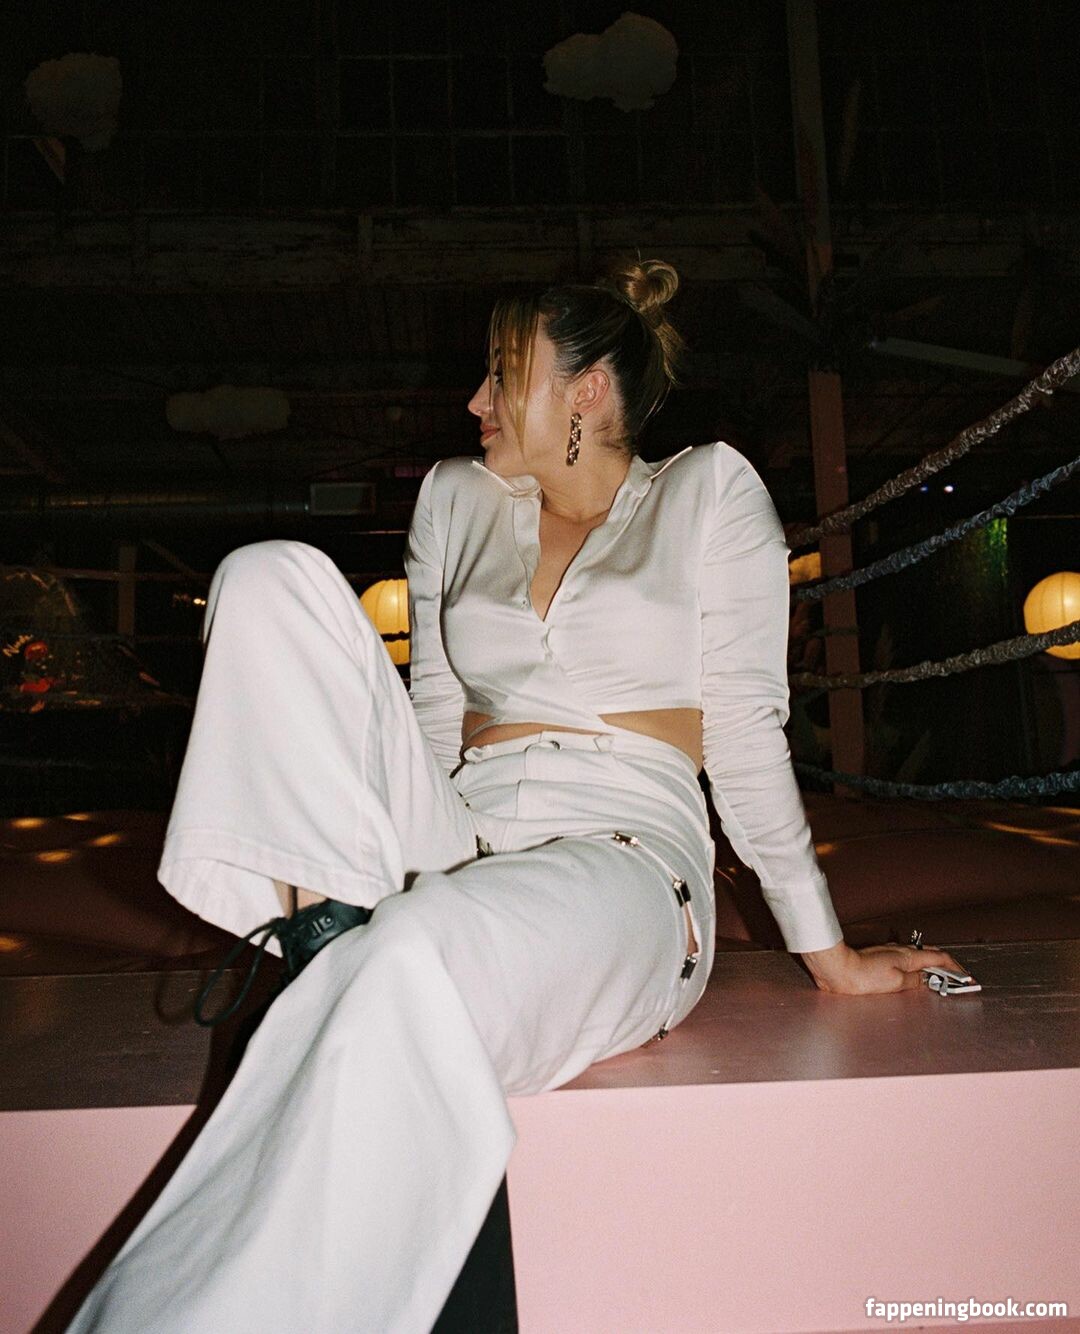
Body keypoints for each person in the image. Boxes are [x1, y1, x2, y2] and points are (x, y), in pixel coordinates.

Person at [68, 261, 962, 1333]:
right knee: (269, 576)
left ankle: (343, 974)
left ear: (587, 392)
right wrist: (394, 839)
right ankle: (322, 935)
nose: (474, 401)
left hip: (625, 857)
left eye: (499, 376)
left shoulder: (709, 495)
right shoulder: (456, 498)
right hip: (459, 827)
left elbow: (743, 737)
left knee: (421, 941)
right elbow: (432, 715)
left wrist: (828, 952)